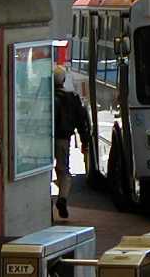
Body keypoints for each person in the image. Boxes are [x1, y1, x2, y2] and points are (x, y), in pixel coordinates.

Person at [53, 66, 90, 218]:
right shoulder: (72, 98)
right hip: (64, 138)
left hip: (45, 139)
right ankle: (62, 197)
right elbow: (81, 121)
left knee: (45, 171)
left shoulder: (45, 97)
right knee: (64, 169)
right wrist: (84, 141)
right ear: (63, 80)